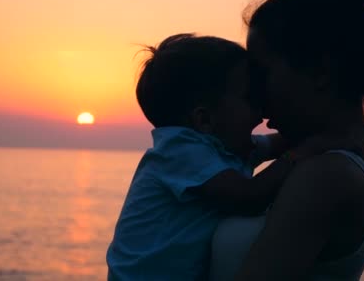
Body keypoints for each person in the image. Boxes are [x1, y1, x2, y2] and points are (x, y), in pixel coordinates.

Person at [210, 0, 364, 280]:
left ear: (320, 72)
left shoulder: (326, 175)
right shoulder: (351, 160)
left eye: (261, 73)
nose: (253, 93)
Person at [107, 33, 306, 280]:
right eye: (251, 98)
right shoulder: (180, 153)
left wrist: (316, 128)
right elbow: (248, 198)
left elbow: (275, 144)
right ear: (204, 119)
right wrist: (300, 154)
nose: (262, 112)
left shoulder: (225, 145)